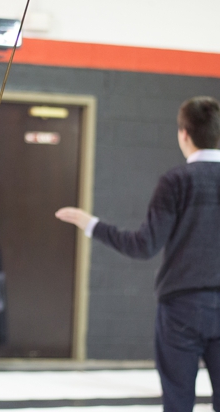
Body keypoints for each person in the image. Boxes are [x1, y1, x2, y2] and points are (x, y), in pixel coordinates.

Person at [55, 96, 220, 412]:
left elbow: (143, 245)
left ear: (184, 134)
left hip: (181, 308)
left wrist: (90, 224)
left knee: (178, 402)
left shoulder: (176, 181)